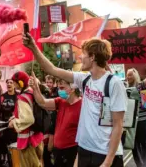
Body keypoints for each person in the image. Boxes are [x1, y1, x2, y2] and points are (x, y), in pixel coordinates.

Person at [23, 33, 127, 167]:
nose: (80, 57)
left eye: (83, 54)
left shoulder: (114, 83)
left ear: (93, 57)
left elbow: (118, 125)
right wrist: (33, 47)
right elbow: (52, 69)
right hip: (85, 151)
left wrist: (107, 162)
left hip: (105, 154)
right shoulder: (84, 79)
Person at [30, 74, 82, 167]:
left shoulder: (82, 105)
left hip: (71, 151)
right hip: (58, 150)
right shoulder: (61, 101)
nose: (59, 91)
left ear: (73, 88)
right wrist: (35, 88)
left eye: (62, 88)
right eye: (58, 88)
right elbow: (42, 102)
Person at [126, 57, 146, 167]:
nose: (128, 76)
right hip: (131, 123)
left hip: (143, 120)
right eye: (127, 74)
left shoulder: (141, 85)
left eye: (130, 74)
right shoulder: (124, 87)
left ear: (135, 75)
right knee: (134, 146)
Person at [8, 71, 44, 167]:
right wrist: (16, 116)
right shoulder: (32, 92)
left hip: (28, 141)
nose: (13, 85)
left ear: (20, 83)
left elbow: (29, 119)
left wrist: (14, 122)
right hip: (37, 138)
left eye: (14, 82)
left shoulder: (22, 98)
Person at [0, 79, 18, 166]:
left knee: (15, 146)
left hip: (15, 124)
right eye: (7, 83)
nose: (9, 84)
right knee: (7, 146)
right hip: (5, 124)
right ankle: (8, 162)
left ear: (14, 85)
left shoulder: (18, 95)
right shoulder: (2, 96)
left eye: (11, 82)